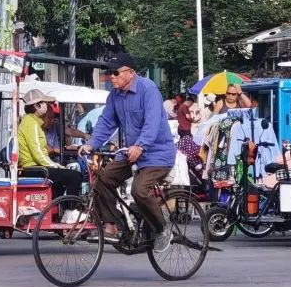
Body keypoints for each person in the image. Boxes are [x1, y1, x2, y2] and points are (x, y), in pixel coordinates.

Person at [80, 53, 176, 254]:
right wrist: (91, 144)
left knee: (139, 190)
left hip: (156, 153)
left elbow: (152, 122)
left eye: (115, 73)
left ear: (130, 73)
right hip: (130, 152)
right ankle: (114, 225)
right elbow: (106, 123)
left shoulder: (148, 89)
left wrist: (140, 145)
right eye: (109, 73)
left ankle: (162, 228)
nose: (111, 77)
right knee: (103, 179)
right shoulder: (114, 95)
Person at [17, 90, 83, 223]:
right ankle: (70, 213)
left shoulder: (33, 122)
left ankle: (56, 214)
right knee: (74, 176)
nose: (48, 106)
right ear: (37, 106)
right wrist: (55, 165)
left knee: (60, 181)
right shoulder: (32, 124)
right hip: (33, 167)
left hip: (35, 166)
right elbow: (38, 153)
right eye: (45, 103)